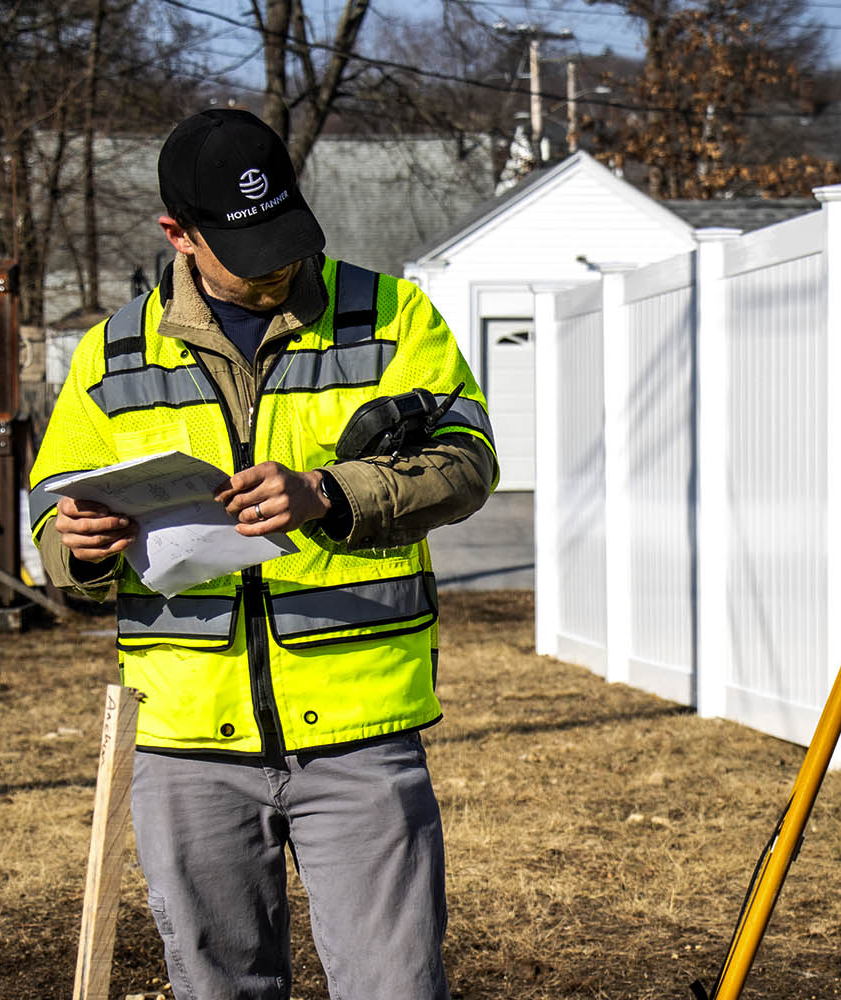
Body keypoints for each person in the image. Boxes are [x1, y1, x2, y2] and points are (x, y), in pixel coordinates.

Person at [27, 108, 496, 1000]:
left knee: (396, 987)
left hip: (361, 738)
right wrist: (78, 545)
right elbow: (53, 532)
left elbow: (469, 464)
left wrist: (332, 491)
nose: (279, 267)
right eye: (248, 250)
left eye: (287, 236)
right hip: (184, 745)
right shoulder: (106, 357)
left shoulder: (395, 318)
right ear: (178, 234)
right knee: (218, 988)